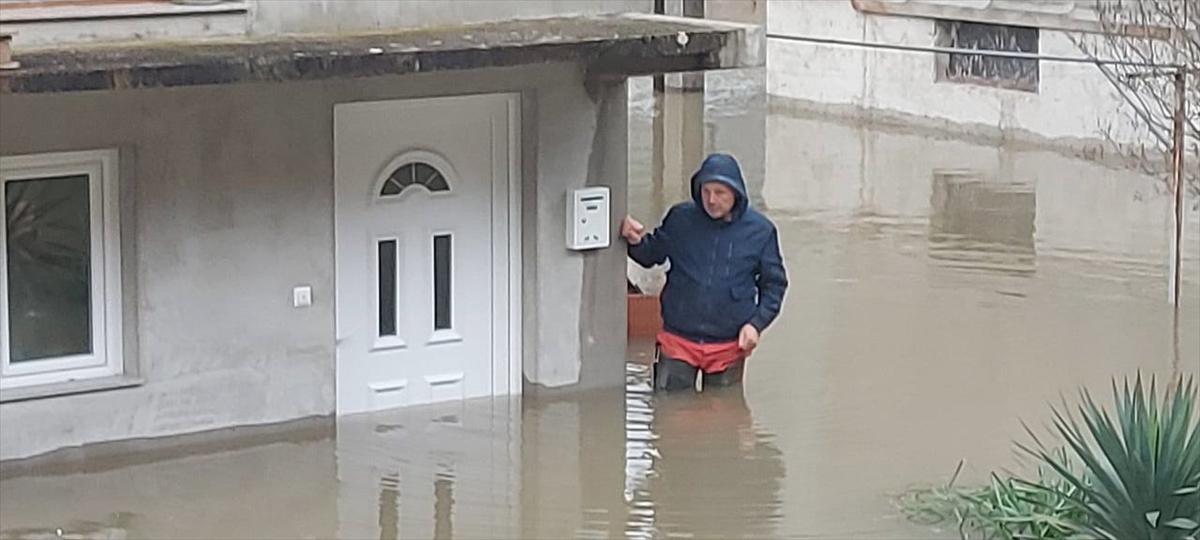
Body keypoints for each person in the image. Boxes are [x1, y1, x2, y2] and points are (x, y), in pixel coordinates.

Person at [623, 153, 788, 391]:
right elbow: (650, 255)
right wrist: (632, 239)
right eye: (706, 191)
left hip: (729, 345)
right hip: (677, 339)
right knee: (669, 412)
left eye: (720, 193)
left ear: (736, 193)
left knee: (723, 416)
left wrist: (756, 325)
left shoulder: (761, 232)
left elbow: (775, 285)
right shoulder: (680, 219)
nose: (711, 200)